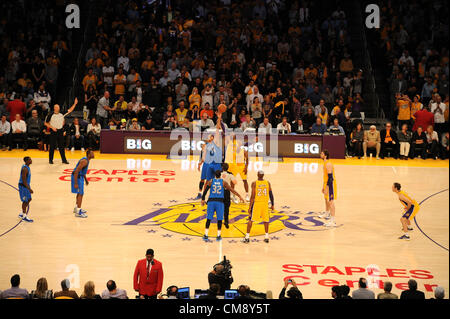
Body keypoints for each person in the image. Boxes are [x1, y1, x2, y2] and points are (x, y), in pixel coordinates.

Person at [201, 170, 243, 241]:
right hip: (219, 202)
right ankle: (218, 235)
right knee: (219, 219)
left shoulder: (211, 182)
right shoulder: (223, 182)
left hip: (211, 202)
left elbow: (205, 191)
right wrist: (239, 196)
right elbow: (232, 189)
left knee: (208, 219)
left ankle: (206, 235)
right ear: (220, 175)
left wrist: (203, 199)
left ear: (215, 175)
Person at [242, 170, 274, 243]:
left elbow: (253, 196)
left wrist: (250, 207)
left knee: (251, 219)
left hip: (257, 204)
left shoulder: (254, 183)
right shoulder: (267, 183)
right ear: (263, 175)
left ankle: (247, 237)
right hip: (265, 204)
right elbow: (271, 194)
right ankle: (266, 237)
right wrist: (272, 204)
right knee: (266, 220)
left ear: (257, 175)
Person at [44, 98, 77, 164]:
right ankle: (50, 160)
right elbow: (46, 123)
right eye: (57, 107)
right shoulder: (50, 115)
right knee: (52, 146)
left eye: (58, 107)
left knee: (61, 146)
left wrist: (75, 104)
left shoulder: (62, 113)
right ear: (54, 108)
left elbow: (70, 110)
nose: (58, 108)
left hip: (60, 131)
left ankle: (64, 160)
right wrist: (52, 127)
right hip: (53, 131)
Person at [225, 136, 250, 202]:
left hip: (242, 166)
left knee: (245, 181)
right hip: (235, 166)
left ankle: (247, 195)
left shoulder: (244, 150)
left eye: (239, 143)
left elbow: (247, 159)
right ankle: (232, 195)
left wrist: (246, 168)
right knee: (232, 181)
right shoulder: (233, 151)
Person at [71, 149, 95, 218]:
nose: (93, 154)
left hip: (80, 177)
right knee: (81, 193)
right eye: (92, 153)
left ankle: (76, 208)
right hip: (77, 177)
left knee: (79, 193)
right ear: (88, 154)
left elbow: (82, 171)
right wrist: (76, 183)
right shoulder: (84, 161)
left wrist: (86, 179)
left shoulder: (87, 160)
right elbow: (76, 171)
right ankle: (78, 212)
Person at [318, 150, 337, 227]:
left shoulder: (328, 164)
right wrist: (323, 186)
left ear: (325, 156)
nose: (320, 154)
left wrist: (327, 187)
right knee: (326, 199)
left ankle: (333, 221)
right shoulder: (324, 163)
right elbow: (325, 177)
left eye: (322, 154)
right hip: (326, 184)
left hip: (330, 185)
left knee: (331, 201)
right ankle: (327, 213)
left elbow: (330, 178)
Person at [221, 163, 237, 228]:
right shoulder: (230, 174)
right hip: (227, 192)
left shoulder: (219, 173)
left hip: (219, 192)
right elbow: (235, 182)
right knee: (226, 208)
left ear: (222, 168)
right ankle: (226, 222)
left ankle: (219, 221)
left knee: (219, 207)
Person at [18, 156, 33, 222]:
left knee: (29, 199)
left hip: (26, 185)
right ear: (26, 161)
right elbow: (24, 181)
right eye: (30, 160)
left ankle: (22, 213)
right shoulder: (25, 169)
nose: (31, 160)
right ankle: (24, 216)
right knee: (25, 201)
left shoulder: (27, 167)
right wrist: (29, 188)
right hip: (23, 186)